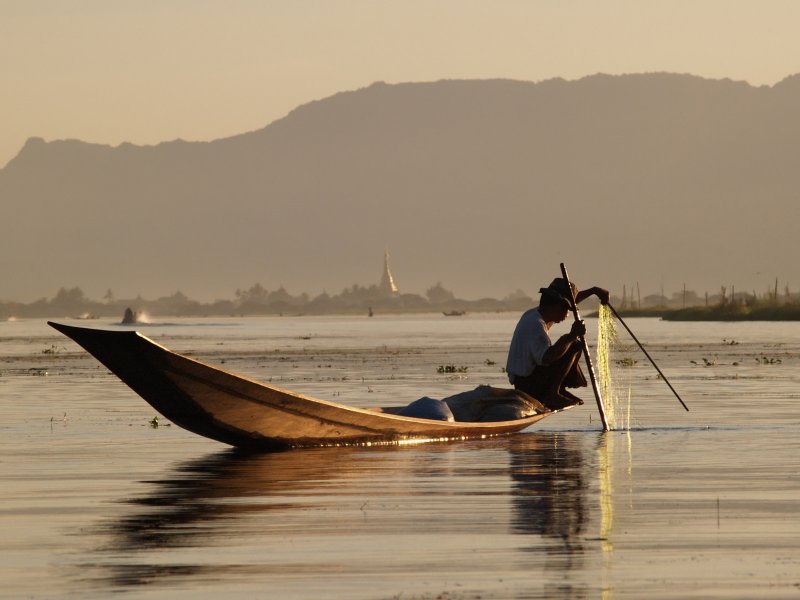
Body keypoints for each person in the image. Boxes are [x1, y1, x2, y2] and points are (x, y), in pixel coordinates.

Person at [506, 278, 609, 410]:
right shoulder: (535, 324)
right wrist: (571, 336)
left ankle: (557, 390)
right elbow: (546, 358)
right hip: (528, 385)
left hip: (526, 380)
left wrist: (594, 291)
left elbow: (572, 299)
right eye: (566, 310)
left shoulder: (538, 314)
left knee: (571, 343)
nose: (567, 315)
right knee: (573, 344)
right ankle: (551, 394)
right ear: (556, 306)